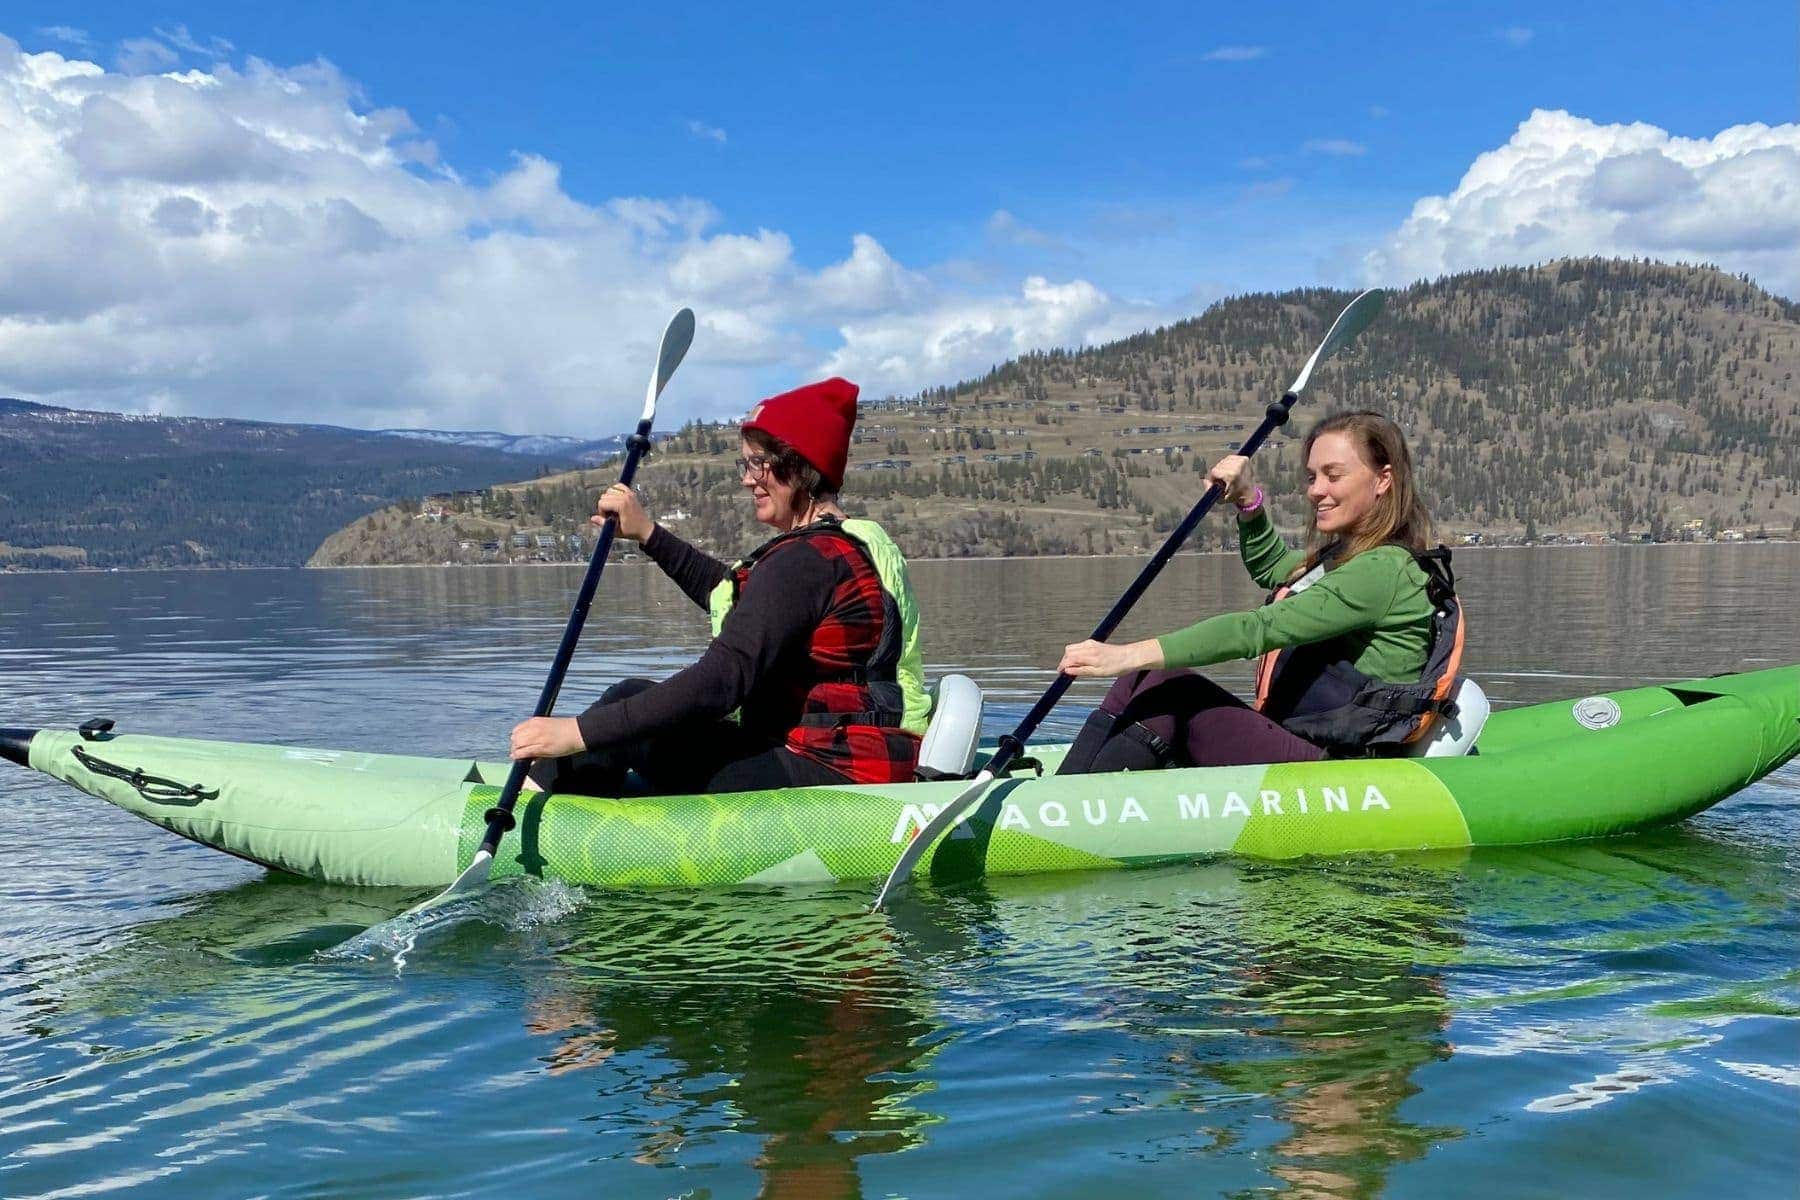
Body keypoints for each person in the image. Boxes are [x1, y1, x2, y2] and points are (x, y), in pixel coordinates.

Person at [508, 377, 931, 795]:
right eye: (745, 464)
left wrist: (576, 732)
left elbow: (723, 679)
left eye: (757, 463)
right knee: (629, 709)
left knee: (628, 710)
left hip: (833, 772)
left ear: (799, 465)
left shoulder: (805, 561)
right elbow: (734, 598)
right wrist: (647, 534)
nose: (747, 479)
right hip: (866, 760)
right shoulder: (847, 545)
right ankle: (562, 788)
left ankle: (532, 801)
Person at [1056, 410, 1463, 771]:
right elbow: (1275, 569)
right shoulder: (1347, 558)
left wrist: (1126, 654)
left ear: (1383, 480)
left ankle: (1070, 805)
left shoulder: (1383, 569)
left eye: (1333, 475)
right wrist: (1248, 502)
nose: (1315, 490)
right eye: (1312, 476)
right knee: (1142, 679)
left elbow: (1256, 629)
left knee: (1170, 690)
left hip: (1341, 766)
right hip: (1304, 740)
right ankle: (1066, 795)